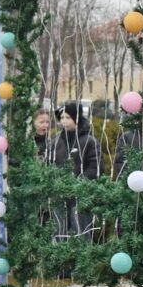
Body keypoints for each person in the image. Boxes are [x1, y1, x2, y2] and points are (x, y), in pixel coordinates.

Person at [49, 102, 100, 240]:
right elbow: (50, 165)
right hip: (59, 195)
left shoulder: (89, 141)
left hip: (80, 195)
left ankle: (83, 252)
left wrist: (78, 183)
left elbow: (95, 167)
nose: (64, 121)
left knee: (80, 231)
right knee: (59, 231)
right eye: (62, 118)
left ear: (76, 118)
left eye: (68, 117)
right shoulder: (55, 142)